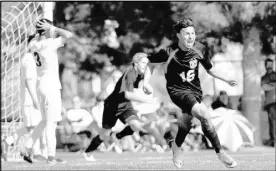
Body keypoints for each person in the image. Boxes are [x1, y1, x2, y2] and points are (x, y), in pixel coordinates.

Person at [146, 18, 238, 168]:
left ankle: (176, 147)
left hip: (195, 91)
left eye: (193, 33)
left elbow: (210, 69)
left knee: (187, 123)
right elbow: (150, 63)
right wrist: (145, 83)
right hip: (177, 91)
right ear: (178, 35)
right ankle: (220, 152)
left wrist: (226, 79)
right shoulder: (168, 51)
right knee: (204, 114)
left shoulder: (200, 49)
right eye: (187, 33)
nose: (191, 37)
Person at [83, 52, 158, 161]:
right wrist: (147, 100)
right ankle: (88, 152)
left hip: (126, 105)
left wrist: (146, 84)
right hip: (112, 106)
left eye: (146, 63)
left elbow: (147, 73)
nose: (145, 65)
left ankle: (117, 137)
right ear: (135, 63)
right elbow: (126, 94)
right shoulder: (130, 73)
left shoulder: (139, 73)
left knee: (136, 125)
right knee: (105, 134)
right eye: (143, 63)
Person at [20, 18, 74, 164]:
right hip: (51, 87)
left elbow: (38, 37)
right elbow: (69, 35)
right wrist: (53, 27)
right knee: (51, 124)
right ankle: (51, 157)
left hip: (41, 86)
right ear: (46, 30)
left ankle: (27, 147)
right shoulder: (49, 44)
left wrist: (42, 29)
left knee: (44, 121)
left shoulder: (33, 44)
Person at [2, 35, 47, 162]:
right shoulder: (29, 59)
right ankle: (31, 152)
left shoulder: (34, 58)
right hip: (30, 99)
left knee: (31, 126)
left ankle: (7, 142)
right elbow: (29, 81)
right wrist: (35, 99)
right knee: (35, 126)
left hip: (31, 98)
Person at [261, 58, 276, 147]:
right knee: (272, 122)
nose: (269, 66)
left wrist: (270, 85)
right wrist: (273, 85)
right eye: (268, 64)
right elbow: (264, 87)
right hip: (270, 103)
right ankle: (273, 140)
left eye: (271, 64)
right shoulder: (263, 77)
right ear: (265, 65)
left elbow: (267, 86)